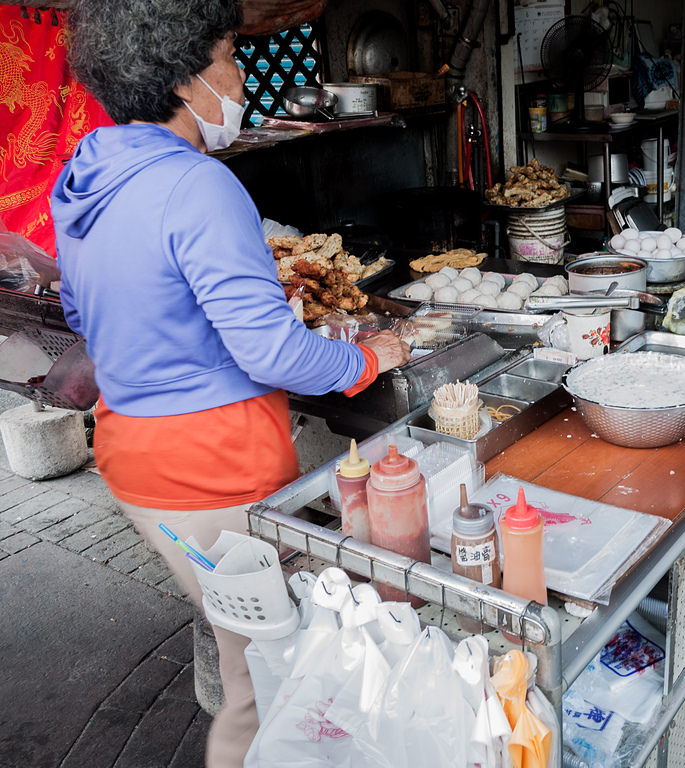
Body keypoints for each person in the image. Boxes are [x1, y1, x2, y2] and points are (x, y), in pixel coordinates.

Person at [50, 1, 410, 765]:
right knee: (265, 680)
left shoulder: (84, 178)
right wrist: (371, 357)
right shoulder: (197, 184)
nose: (239, 76)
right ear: (185, 77)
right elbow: (273, 357)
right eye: (228, 57)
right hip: (212, 467)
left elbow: (93, 312)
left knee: (245, 649)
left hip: (133, 457)